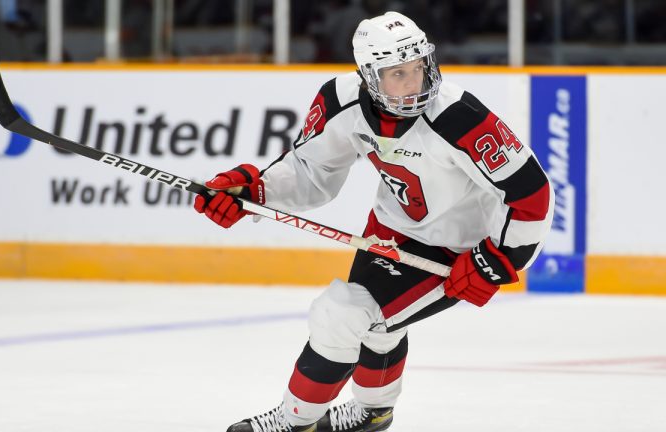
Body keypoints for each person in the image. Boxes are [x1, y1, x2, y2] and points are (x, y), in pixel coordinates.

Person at [194, 11, 554, 432]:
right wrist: (256, 191)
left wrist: (497, 260)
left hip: (458, 248)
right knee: (377, 327)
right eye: (397, 74)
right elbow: (311, 173)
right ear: (367, 75)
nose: (413, 83)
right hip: (390, 226)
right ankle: (373, 412)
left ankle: (297, 421)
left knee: (342, 314)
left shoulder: (459, 117)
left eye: (418, 68)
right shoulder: (341, 100)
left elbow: (530, 192)